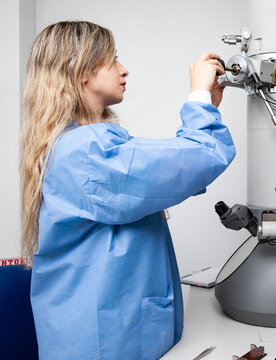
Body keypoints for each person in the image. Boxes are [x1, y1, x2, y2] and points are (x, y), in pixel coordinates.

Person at [19, 21, 235, 359]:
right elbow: (198, 158)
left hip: (102, 331)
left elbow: (169, 171)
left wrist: (208, 107)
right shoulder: (86, 152)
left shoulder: (85, 145)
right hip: (102, 341)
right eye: (112, 60)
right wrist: (198, 96)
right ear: (82, 73)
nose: (124, 69)